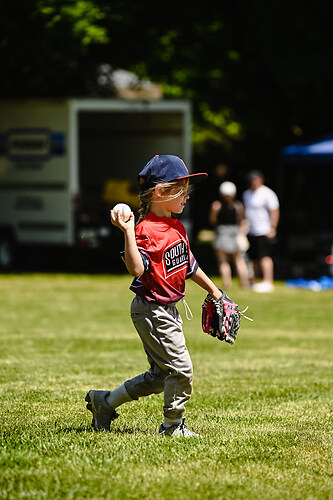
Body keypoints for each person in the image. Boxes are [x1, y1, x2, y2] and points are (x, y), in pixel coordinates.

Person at [85, 155, 228, 438]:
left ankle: (105, 402)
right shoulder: (145, 231)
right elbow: (136, 269)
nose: (187, 195)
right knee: (181, 368)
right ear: (160, 191)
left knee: (161, 377)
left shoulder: (177, 226)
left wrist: (215, 291)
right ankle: (172, 426)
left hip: (167, 310)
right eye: (181, 188)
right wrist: (127, 231)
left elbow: (189, 265)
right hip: (151, 309)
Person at [243, 170, 280, 293]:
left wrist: (273, 227)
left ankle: (268, 281)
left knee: (265, 256)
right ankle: (254, 281)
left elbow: (274, 210)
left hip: (263, 230)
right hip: (251, 230)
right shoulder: (247, 194)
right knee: (253, 258)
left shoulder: (267, 193)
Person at [209, 181, 249, 289]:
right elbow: (242, 221)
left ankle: (227, 284)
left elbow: (212, 220)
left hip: (222, 233)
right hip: (235, 233)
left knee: (223, 261)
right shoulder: (238, 206)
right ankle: (244, 284)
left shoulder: (216, 205)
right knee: (239, 260)